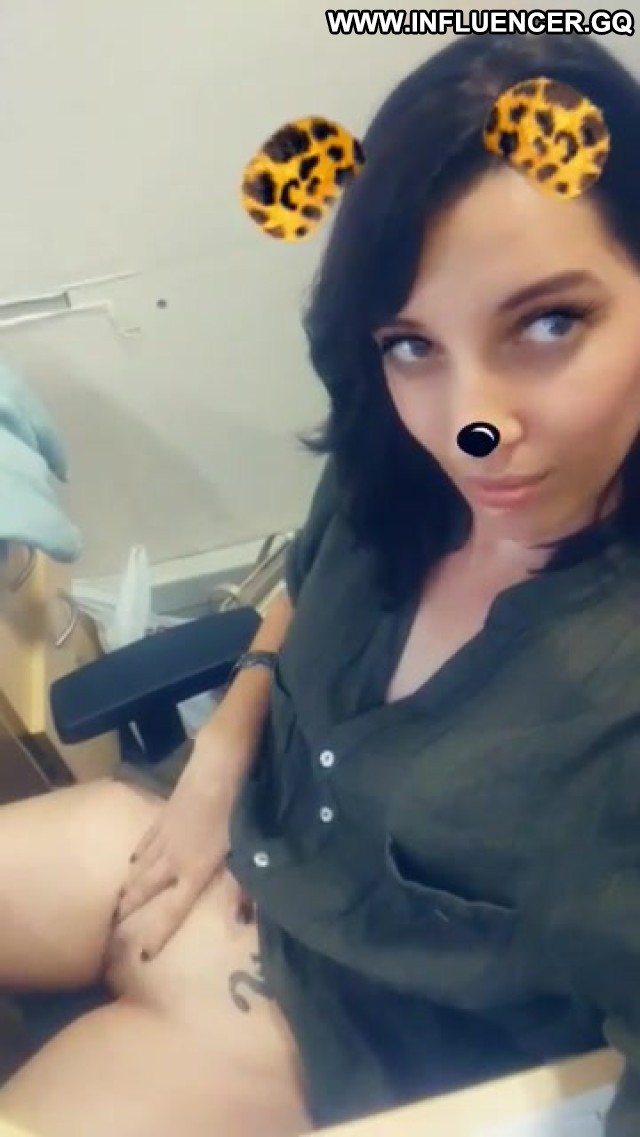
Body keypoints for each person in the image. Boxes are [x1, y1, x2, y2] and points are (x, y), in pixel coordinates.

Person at [2, 27, 640, 1137]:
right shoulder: (399, 466)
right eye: (413, 344)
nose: (472, 427)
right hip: (199, 832)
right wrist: (218, 762)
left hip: (319, 1035)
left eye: (549, 322)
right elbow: (299, 590)